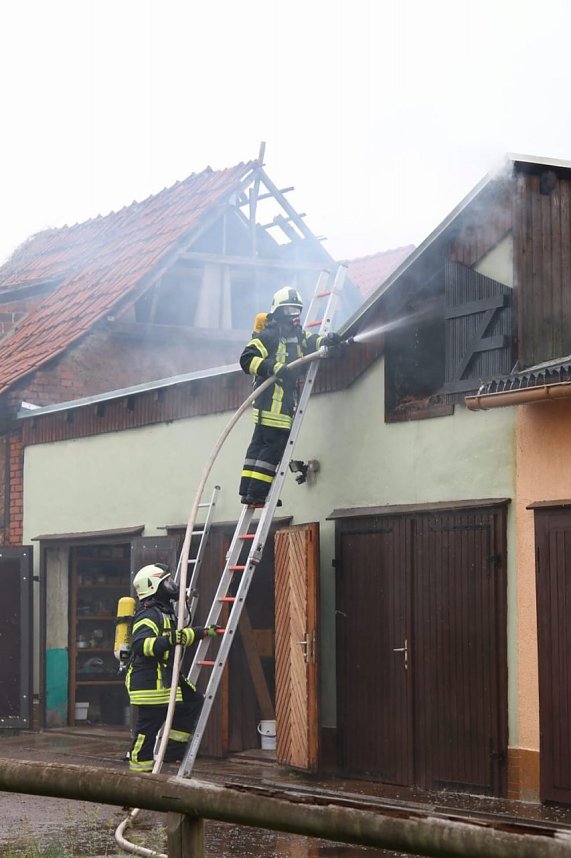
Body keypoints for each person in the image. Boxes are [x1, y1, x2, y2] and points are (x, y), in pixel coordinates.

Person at [239, 286, 341, 505]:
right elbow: (247, 359)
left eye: (297, 310)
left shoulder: (296, 336)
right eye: (289, 310)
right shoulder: (268, 336)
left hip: (275, 408)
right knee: (270, 452)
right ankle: (258, 495)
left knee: (257, 448)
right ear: (277, 311)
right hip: (273, 408)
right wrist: (273, 367)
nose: (293, 315)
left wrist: (327, 341)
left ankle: (248, 492)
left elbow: (311, 342)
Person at [125, 563, 218, 772]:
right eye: (166, 581)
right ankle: (139, 769)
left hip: (164, 678)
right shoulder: (148, 615)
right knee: (148, 728)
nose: (172, 585)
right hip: (150, 683)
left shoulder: (165, 613)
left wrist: (202, 632)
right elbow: (141, 645)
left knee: (192, 701)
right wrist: (171, 639)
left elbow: (179, 637)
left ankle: (172, 753)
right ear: (154, 586)